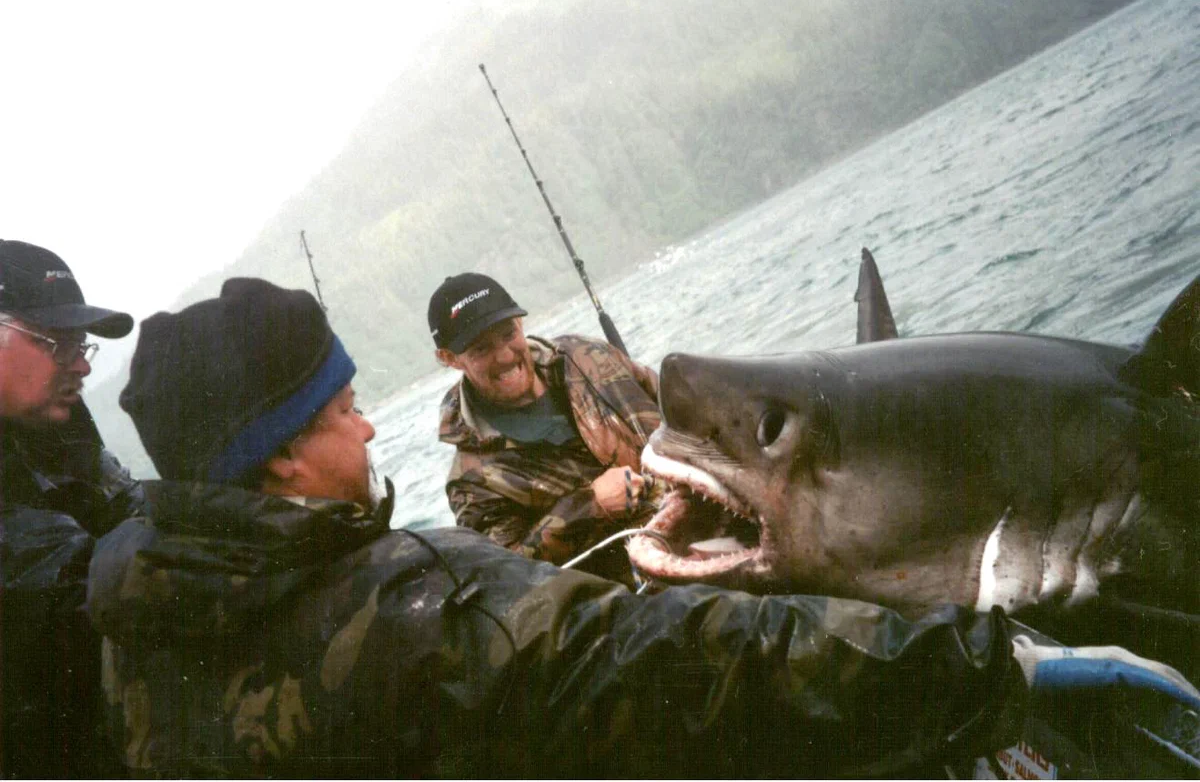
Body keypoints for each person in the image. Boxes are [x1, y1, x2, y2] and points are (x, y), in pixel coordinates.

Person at [92, 277, 1200, 778]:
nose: (367, 424)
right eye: (340, 411)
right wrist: (986, 673)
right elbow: (647, 659)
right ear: (278, 454)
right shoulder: (412, 594)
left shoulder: (137, 622)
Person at [0, 239, 141, 778]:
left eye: (80, 344)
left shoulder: (60, 430)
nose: (81, 364)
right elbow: (67, 570)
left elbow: (132, 511)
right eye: (57, 344)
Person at [429, 273, 659, 583]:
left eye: (508, 333)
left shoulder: (587, 355)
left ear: (521, 323)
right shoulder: (472, 482)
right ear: (448, 359)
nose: (505, 356)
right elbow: (508, 573)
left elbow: (676, 405)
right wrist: (591, 506)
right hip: (647, 596)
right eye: (481, 349)